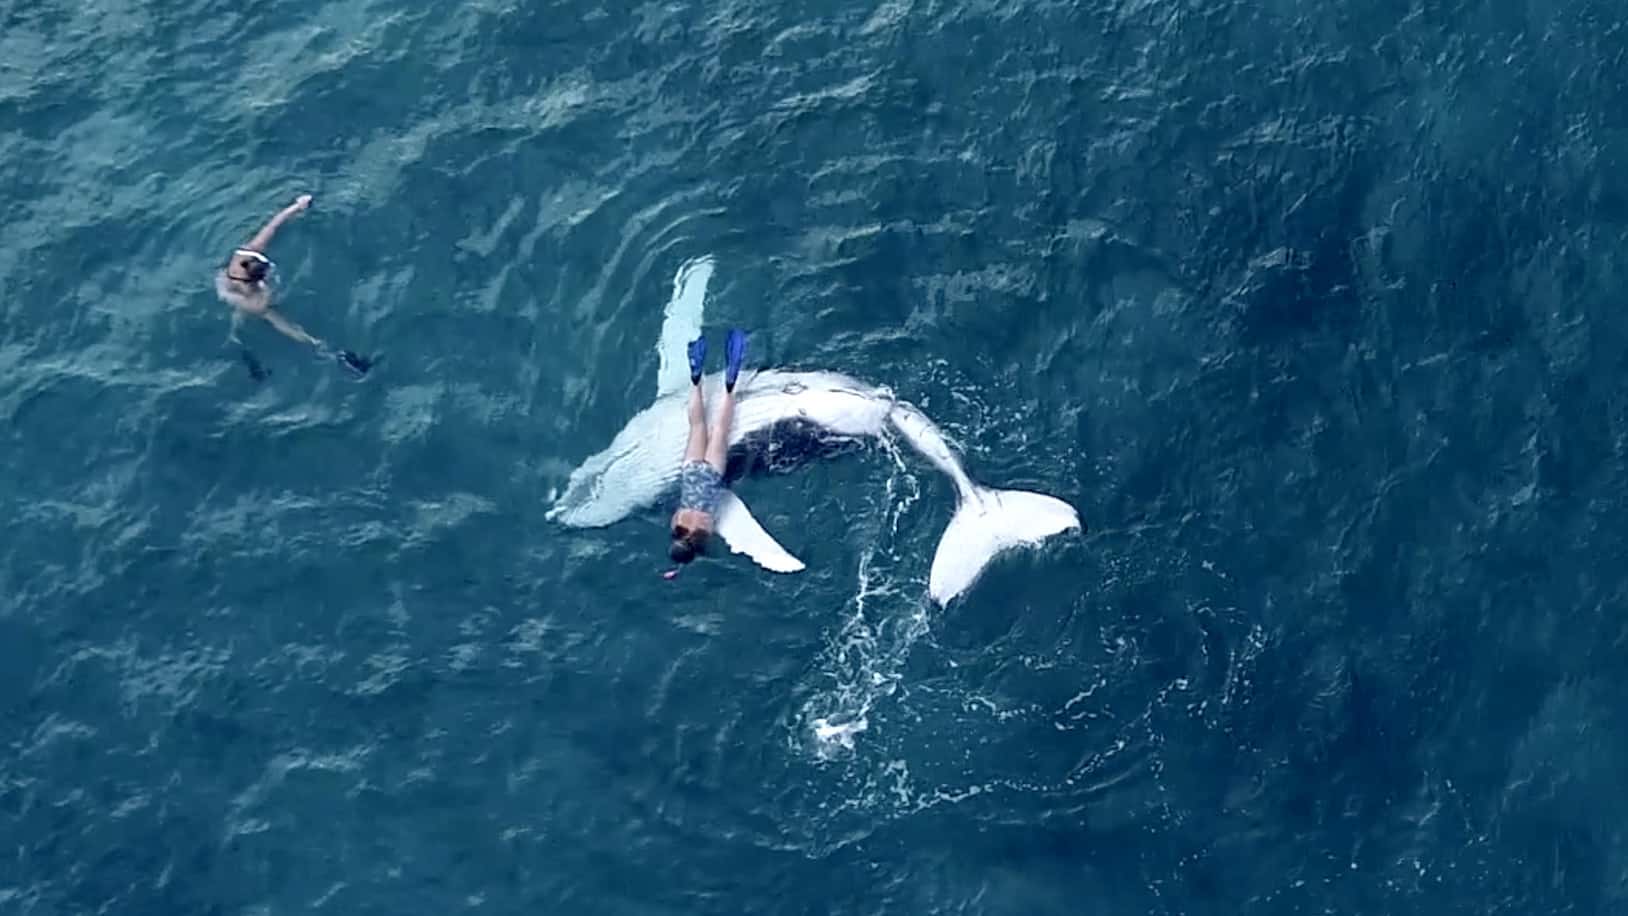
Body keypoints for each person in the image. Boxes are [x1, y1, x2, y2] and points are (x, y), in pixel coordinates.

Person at [218, 194, 371, 376]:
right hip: (246, 300)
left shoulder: (248, 252)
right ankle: (328, 351)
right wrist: (268, 291)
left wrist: (297, 206)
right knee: (283, 324)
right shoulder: (251, 292)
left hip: (230, 285)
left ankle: (239, 345)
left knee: (237, 326)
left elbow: (273, 225)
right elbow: (261, 306)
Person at [667, 328, 748, 569]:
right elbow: (682, 513)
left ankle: (730, 385)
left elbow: (713, 516)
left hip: (712, 474)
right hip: (690, 470)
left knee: (721, 429)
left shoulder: (704, 528)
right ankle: (696, 381)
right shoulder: (677, 522)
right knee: (697, 424)